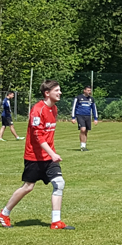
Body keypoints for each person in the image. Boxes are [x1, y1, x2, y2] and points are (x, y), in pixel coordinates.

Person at [0, 80, 74, 230]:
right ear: (47, 93)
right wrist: (52, 153)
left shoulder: (54, 109)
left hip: (49, 157)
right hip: (34, 156)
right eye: (57, 90)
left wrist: (51, 154)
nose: (60, 93)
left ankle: (56, 222)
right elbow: (38, 137)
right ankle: (4, 213)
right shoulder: (37, 110)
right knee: (28, 187)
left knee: (59, 183)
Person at [71, 85, 98, 151]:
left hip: (88, 116)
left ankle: (84, 146)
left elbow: (94, 109)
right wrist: (73, 117)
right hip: (80, 115)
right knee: (83, 129)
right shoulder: (78, 98)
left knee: (86, 131)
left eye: (90, 90)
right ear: (84, 90)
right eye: (88, 90)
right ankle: (82, 146)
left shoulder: (91, 99)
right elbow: (74, 107)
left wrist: (96, 118)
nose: (89, 92)